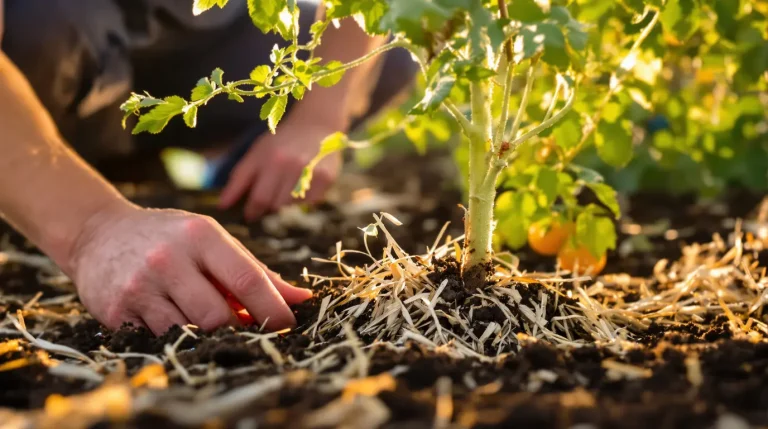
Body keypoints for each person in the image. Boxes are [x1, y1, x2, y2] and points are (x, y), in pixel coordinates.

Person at [0, 0, 416, 335]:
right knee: (42, 28)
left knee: (392, 53)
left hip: (190, 30)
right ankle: (49, 181)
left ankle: (166, 169)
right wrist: (92, 229)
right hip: (51, 35)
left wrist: (318, 120)